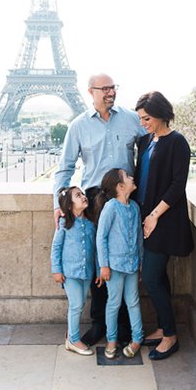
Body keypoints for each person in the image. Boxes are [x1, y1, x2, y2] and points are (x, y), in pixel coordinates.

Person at [52, 73, 145, 346]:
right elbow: (66, 168)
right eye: (104, 89)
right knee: (99, 262)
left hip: (124, 200)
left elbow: (152, 145)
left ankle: (124, 325)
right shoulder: (78, 126)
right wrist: (59, 203)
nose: (110, 92)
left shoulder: (131, 119)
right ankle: (100, 322)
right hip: (93, 200)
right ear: (90, 92)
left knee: (124, 257)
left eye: (112, 87)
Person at [133, 91, 194, 360]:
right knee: (159, 277)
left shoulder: (177, 142)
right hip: (144, 216)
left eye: (146, 118)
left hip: (164, 221)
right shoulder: (145, 141)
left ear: (160, 114)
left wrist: (155, 215)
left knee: (151, 277)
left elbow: (177, 185)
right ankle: (161, 326)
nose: (143, 123)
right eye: (140, 118)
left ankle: (170, 336)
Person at [94, 168, 145, 359]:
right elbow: (102, 237)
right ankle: (112, 339)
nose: (132, 178)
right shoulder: (111, 207)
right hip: (114, 267)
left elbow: (139, 237)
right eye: (128, 177)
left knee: (133, 302)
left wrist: (140, 262)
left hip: (132, 265)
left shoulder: (134, 207)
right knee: (114, 303)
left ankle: (137, 338)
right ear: (120, 186)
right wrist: (104, 265)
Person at [50, 185, 97, 356]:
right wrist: (56, 270)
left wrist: (98, 271)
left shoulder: (91, 224)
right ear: (70, 205)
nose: (83, 197)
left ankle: (71, 334)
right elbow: (56, 248)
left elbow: (96, 250)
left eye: (83, 194)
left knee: (80, 303)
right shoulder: (64, 224)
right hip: (69, 273)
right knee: (76, 304)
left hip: (86, 272)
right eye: (78, 196)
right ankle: (73, 339)